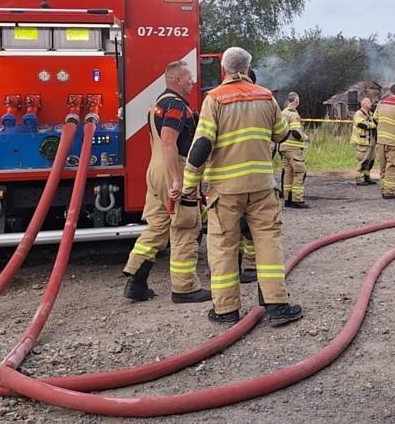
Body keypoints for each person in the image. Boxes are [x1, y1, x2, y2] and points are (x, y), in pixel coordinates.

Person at [181, 47, 303, 326]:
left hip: (225, 189)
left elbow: (202, 144)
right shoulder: (266, 96)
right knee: (267, 242)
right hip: (262, 187)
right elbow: (281, 134)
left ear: (223, 70)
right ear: (248, 69)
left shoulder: (214, 99)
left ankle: (226, 310)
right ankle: (276, 305)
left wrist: (189, 184)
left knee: (223, 245)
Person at [122, 61, 211, 303]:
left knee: (157, 226)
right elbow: (169, 143)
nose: (193, 82)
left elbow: (157, 143)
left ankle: (136, 282)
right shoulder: (176, 106)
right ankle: (185, 288)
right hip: (173, 169)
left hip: (155, 169)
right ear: (177, 80)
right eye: (189, 77)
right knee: (185, 226)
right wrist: (177, 179)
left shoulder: (158, 104)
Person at [280, 92, 309, 209]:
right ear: (297, 101)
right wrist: (306, 138)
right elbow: (296, 132)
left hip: (284, 147)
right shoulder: (293, 114)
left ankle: (287, 199)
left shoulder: (283, 113)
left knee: (288, 173)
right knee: (299, 172)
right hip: (294, 149)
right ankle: (297, 199)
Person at [351, 96, 377, 186]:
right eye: (369, 102)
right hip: (363, 141)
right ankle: (359, 179)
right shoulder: (359, 113)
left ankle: (367, 176)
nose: (371, 104)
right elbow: (361, 124)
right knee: (363, 160)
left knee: (370, 160)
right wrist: (373, 125)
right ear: (364, 104)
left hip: (371, 141)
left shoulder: (370, 114)